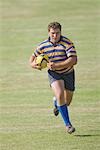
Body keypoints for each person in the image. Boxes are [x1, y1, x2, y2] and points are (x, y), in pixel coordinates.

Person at [29, 22, 77, 134]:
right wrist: (34, 65)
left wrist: (57, 65)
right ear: (48, 33)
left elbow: (74, 60)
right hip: (54, 74)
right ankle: (68, 125)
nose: (55, 36)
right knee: (60, 94)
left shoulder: (67, 43)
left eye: (57, 33)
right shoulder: (43, 45)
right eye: (52, 33)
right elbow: (32, 58)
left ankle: (56, 103)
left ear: (61, 32)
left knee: (66, 102)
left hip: (68, 73)